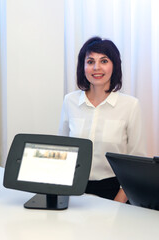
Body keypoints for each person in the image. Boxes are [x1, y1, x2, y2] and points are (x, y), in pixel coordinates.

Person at [58, 36, 146, 203]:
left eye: (104, 61)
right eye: (90, 61)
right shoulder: (70, 101)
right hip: (73, 189)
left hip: (114, 191)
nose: (96, 67)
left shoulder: (130, 105)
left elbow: (137, 162)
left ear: (114, 66)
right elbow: (62, 150)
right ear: (83, 67)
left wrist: (117, 203)